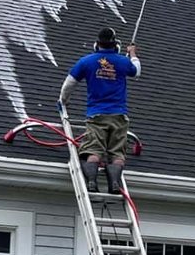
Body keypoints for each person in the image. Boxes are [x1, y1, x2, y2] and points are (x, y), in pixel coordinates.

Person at [60, 27, 141, 193]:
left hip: (96, 115)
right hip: (119, 116)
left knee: (93, 150)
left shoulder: (86, 61)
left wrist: (63, 101)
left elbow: (69, 83)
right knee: (117, 154)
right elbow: (136, 71)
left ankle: (92, 182)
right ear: (116, 45)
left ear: (96, 44)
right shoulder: (123, 62)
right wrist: (132, 54)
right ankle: (115, 184)